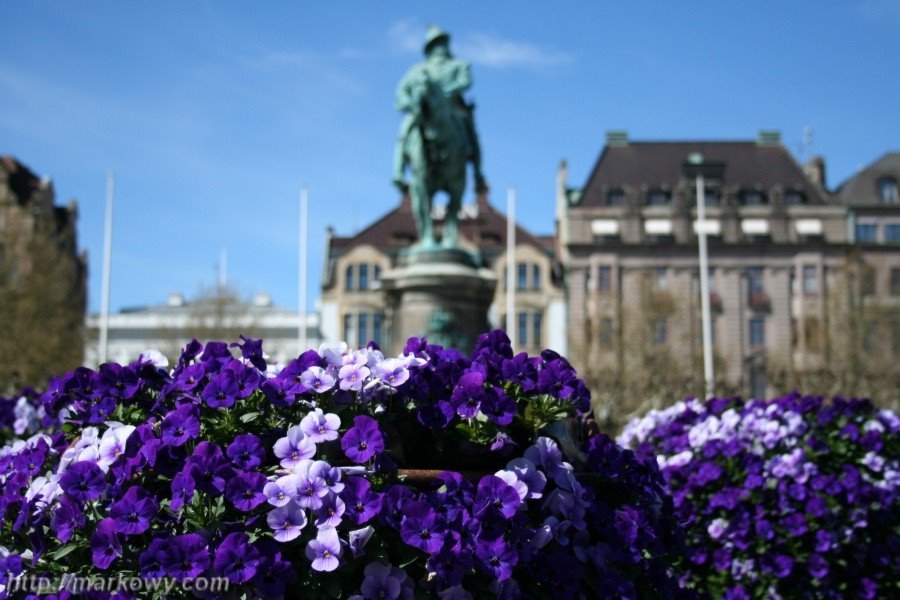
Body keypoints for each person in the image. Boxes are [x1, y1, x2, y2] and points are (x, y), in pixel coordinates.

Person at [392, 25, 486, 192]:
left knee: (472, 134)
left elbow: (466, 82)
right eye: (436, 43)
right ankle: (398, 173)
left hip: (454, 108)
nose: (441, 47)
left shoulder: (459, 64)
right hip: (424, 112)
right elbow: (402, 91)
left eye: (443, 42)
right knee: (405, 131)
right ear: (430, 48)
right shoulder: (418, 70)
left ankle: (478, 174)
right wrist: (408, 104)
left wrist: (446, 92)